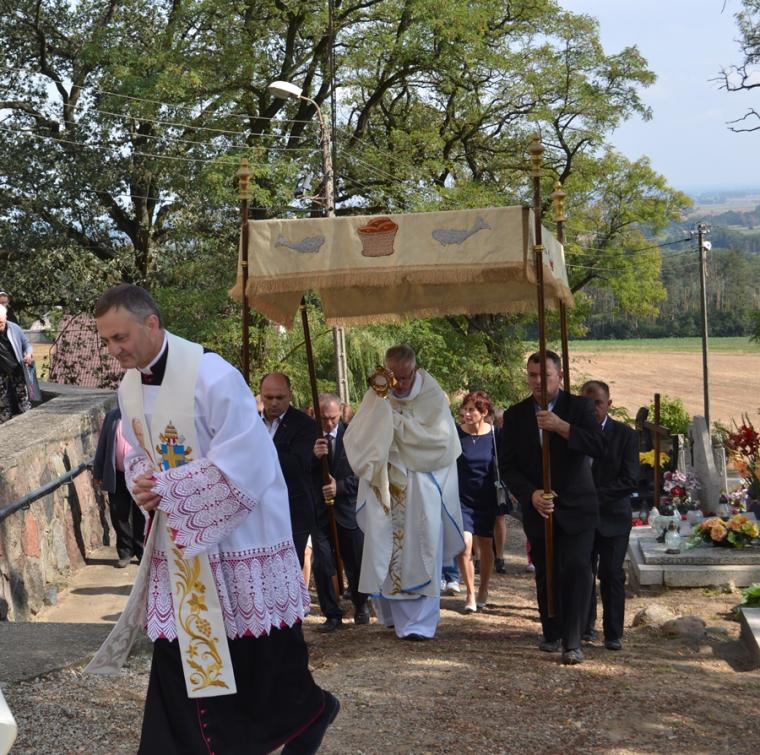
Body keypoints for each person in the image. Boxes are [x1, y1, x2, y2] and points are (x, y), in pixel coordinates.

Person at [88, 284, 338, 754]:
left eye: (120, 337)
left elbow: (249, 459)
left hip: (239, 538)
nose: (114, 349)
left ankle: (310, 714)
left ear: (152, 324)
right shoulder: (129, 386)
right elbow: (141, 450)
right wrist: (143, 479)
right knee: (181, 654)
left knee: (258, 654)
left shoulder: (213, 375)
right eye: (107, 340)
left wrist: (170, 488)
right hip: (181, 545)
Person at [343, 345, 464, 641]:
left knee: (421, 549)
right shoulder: (377, 394)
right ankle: (389, 616)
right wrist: (380, 416)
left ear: (415, 369)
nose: (399, 384)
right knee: (384, 547)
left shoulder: (431, 395)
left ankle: (419, 624)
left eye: (405, 376)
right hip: (385, 485)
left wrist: (394, 424)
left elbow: (439, 442)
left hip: (421, 485)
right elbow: (357, 437)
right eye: (393, 376)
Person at [500, 351, 604, 665]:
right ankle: (552, 630)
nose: (537, 382)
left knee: (577, 568)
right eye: (532, 375)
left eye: (544, 375)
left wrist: (562, 427)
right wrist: (529, 493)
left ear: (559, 376)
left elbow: (598, 446)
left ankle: (573, 641)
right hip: (539, 508)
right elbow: (507, 466)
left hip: (577, 506)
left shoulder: (580, 407)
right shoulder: (516, 415)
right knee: (547, 571)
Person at [581, 380, 639, 651]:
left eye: (598, 403)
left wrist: (594, 495)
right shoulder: (573, 433)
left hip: (614, 517)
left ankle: (613, 633)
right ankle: (584, 627)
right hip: (581, 517)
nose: (593, 408)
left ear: (609, 404)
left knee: (612, 573)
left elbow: (630, 478)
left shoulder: (625, 435)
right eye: (588, 403)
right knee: (583, 572)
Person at [311, 393, 370, 631]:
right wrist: (313, 458)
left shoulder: (354, 437)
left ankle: (361, 603)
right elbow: (299, 472)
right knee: (323, 563)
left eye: (333, 418)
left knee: (356, 562)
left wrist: (340, 487)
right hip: (320, 512)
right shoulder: (309, 439)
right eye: (324, 418)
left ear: (340, 413)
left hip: (348, 510)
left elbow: (365, 474)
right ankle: (332, 613)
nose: (328, 423)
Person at [259, 372, 319, 567]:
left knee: (288, 569)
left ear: (290, 395)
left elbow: (297, 464)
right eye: (269, 397)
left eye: (280, 397)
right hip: (257, 511)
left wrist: (258, 450)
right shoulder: (250, 422)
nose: (274, 403)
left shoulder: (305, 425)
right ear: (261, 395)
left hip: (292, 511)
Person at [456, 391, 499, 613]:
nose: (466, 413)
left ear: (483, 412)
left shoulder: (495, 436)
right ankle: (470, 593)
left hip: (486, 497)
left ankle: (484, 587)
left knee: (485, 545)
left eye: (472, 409)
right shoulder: (456, 434)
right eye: (465, 408)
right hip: (461, 498)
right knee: (464, 546)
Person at [93, 407, 145, 568]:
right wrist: (98, 472)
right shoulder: (112, 416)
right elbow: (102, 445)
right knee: (118, 512)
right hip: (118, 474)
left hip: (140, 474)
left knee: (141, 513)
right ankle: (125, 552)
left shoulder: (143, 414)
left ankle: (142, 550)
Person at [0, 304, 33, 424]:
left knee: (22, 399)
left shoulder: (14, 328)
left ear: (5, 318)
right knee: (2, 403)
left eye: (1, 322)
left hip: (16, 368)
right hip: (1, 371)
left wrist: (28, 354)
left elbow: (27, 343)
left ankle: (27, 423)